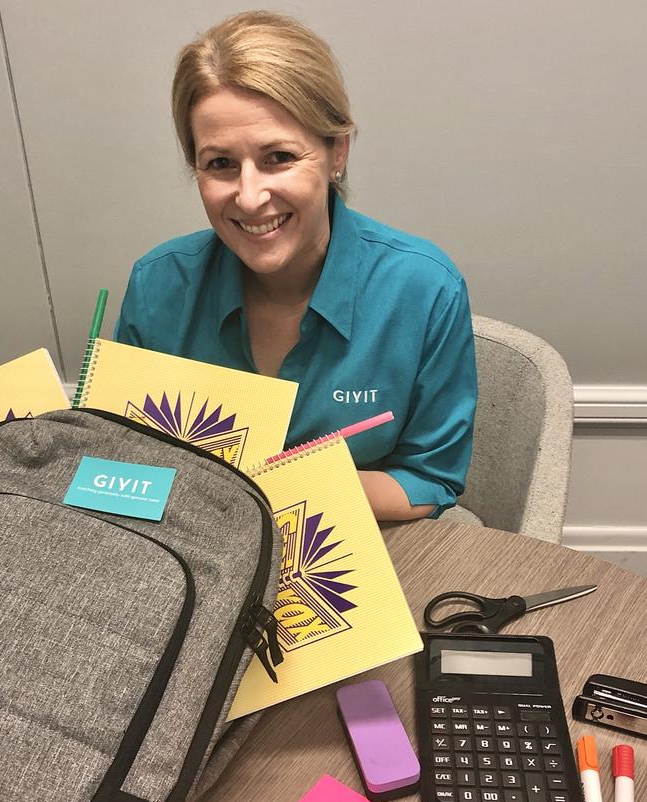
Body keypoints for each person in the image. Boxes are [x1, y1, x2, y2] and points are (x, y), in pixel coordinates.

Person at [114, 10, 477, 522]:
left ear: (337, 153)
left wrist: (273, 487)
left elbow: (429, 479)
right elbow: (124, 464)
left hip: (356, 549)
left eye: (279, 157)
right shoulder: (157, 285)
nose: (249, 195)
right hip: (193, 551)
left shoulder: (423, 288)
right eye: (220, 163)